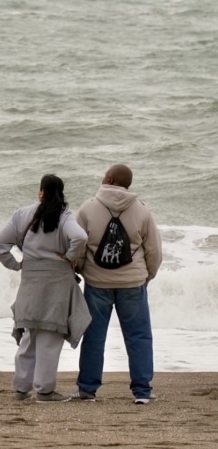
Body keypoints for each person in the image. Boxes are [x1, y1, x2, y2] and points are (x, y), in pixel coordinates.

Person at [68, 163, 162, 404]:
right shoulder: (142, 210)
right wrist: (146, 276)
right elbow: (154, 251)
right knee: (139, 336)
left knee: (94, 336)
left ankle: (87, 389)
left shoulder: (89, 207)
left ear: (108, 179)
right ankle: (142, 391)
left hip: (97, 282)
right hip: (132, 284)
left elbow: (77, 245)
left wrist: (78, 269)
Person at [0, 174, 90, 402]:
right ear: (61, 193)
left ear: (41, 191)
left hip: (30, 281)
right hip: (57, 283)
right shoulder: (64, 216)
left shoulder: (22, 214)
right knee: (50, 337)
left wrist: (15, 265)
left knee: (29, 335)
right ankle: (45, 391)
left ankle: (21, 388)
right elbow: (80, 237)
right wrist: (69, 256)